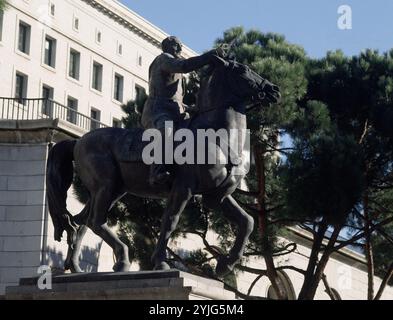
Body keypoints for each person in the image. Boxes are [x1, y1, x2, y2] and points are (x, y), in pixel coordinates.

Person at [141, 36, 224, 185]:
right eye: (176, 46)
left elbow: (177, 98)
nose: (180, 49)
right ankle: (156, 171)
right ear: (167, 47)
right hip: (158, 111)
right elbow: (185, 65)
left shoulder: (175, 68)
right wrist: (209, 56)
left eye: (180, 46)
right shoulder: (164, 59)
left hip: (176, 112)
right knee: (166, 129)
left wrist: (190, 109)